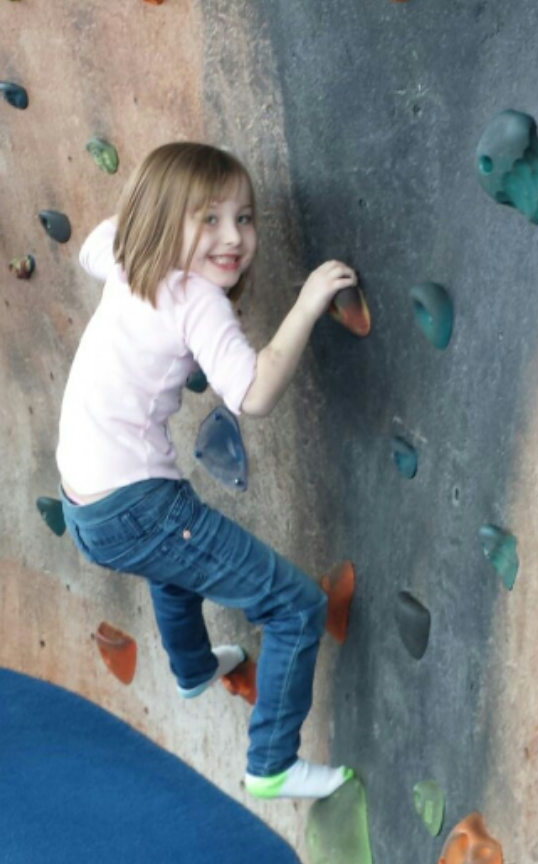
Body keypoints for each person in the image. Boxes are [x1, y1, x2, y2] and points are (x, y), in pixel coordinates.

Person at [57, 142, 357, 801]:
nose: (234, 238)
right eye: (209, 219)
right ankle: (273, 763)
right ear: (164, 217)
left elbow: (89, 248)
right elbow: (252, 394)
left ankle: (193, 670)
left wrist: (148, 225)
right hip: (135, 505)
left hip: (86, 504)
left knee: (173, 561)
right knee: (295, 604)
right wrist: (307, 302)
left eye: (244, 219)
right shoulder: (196, 300)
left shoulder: (124, 252)